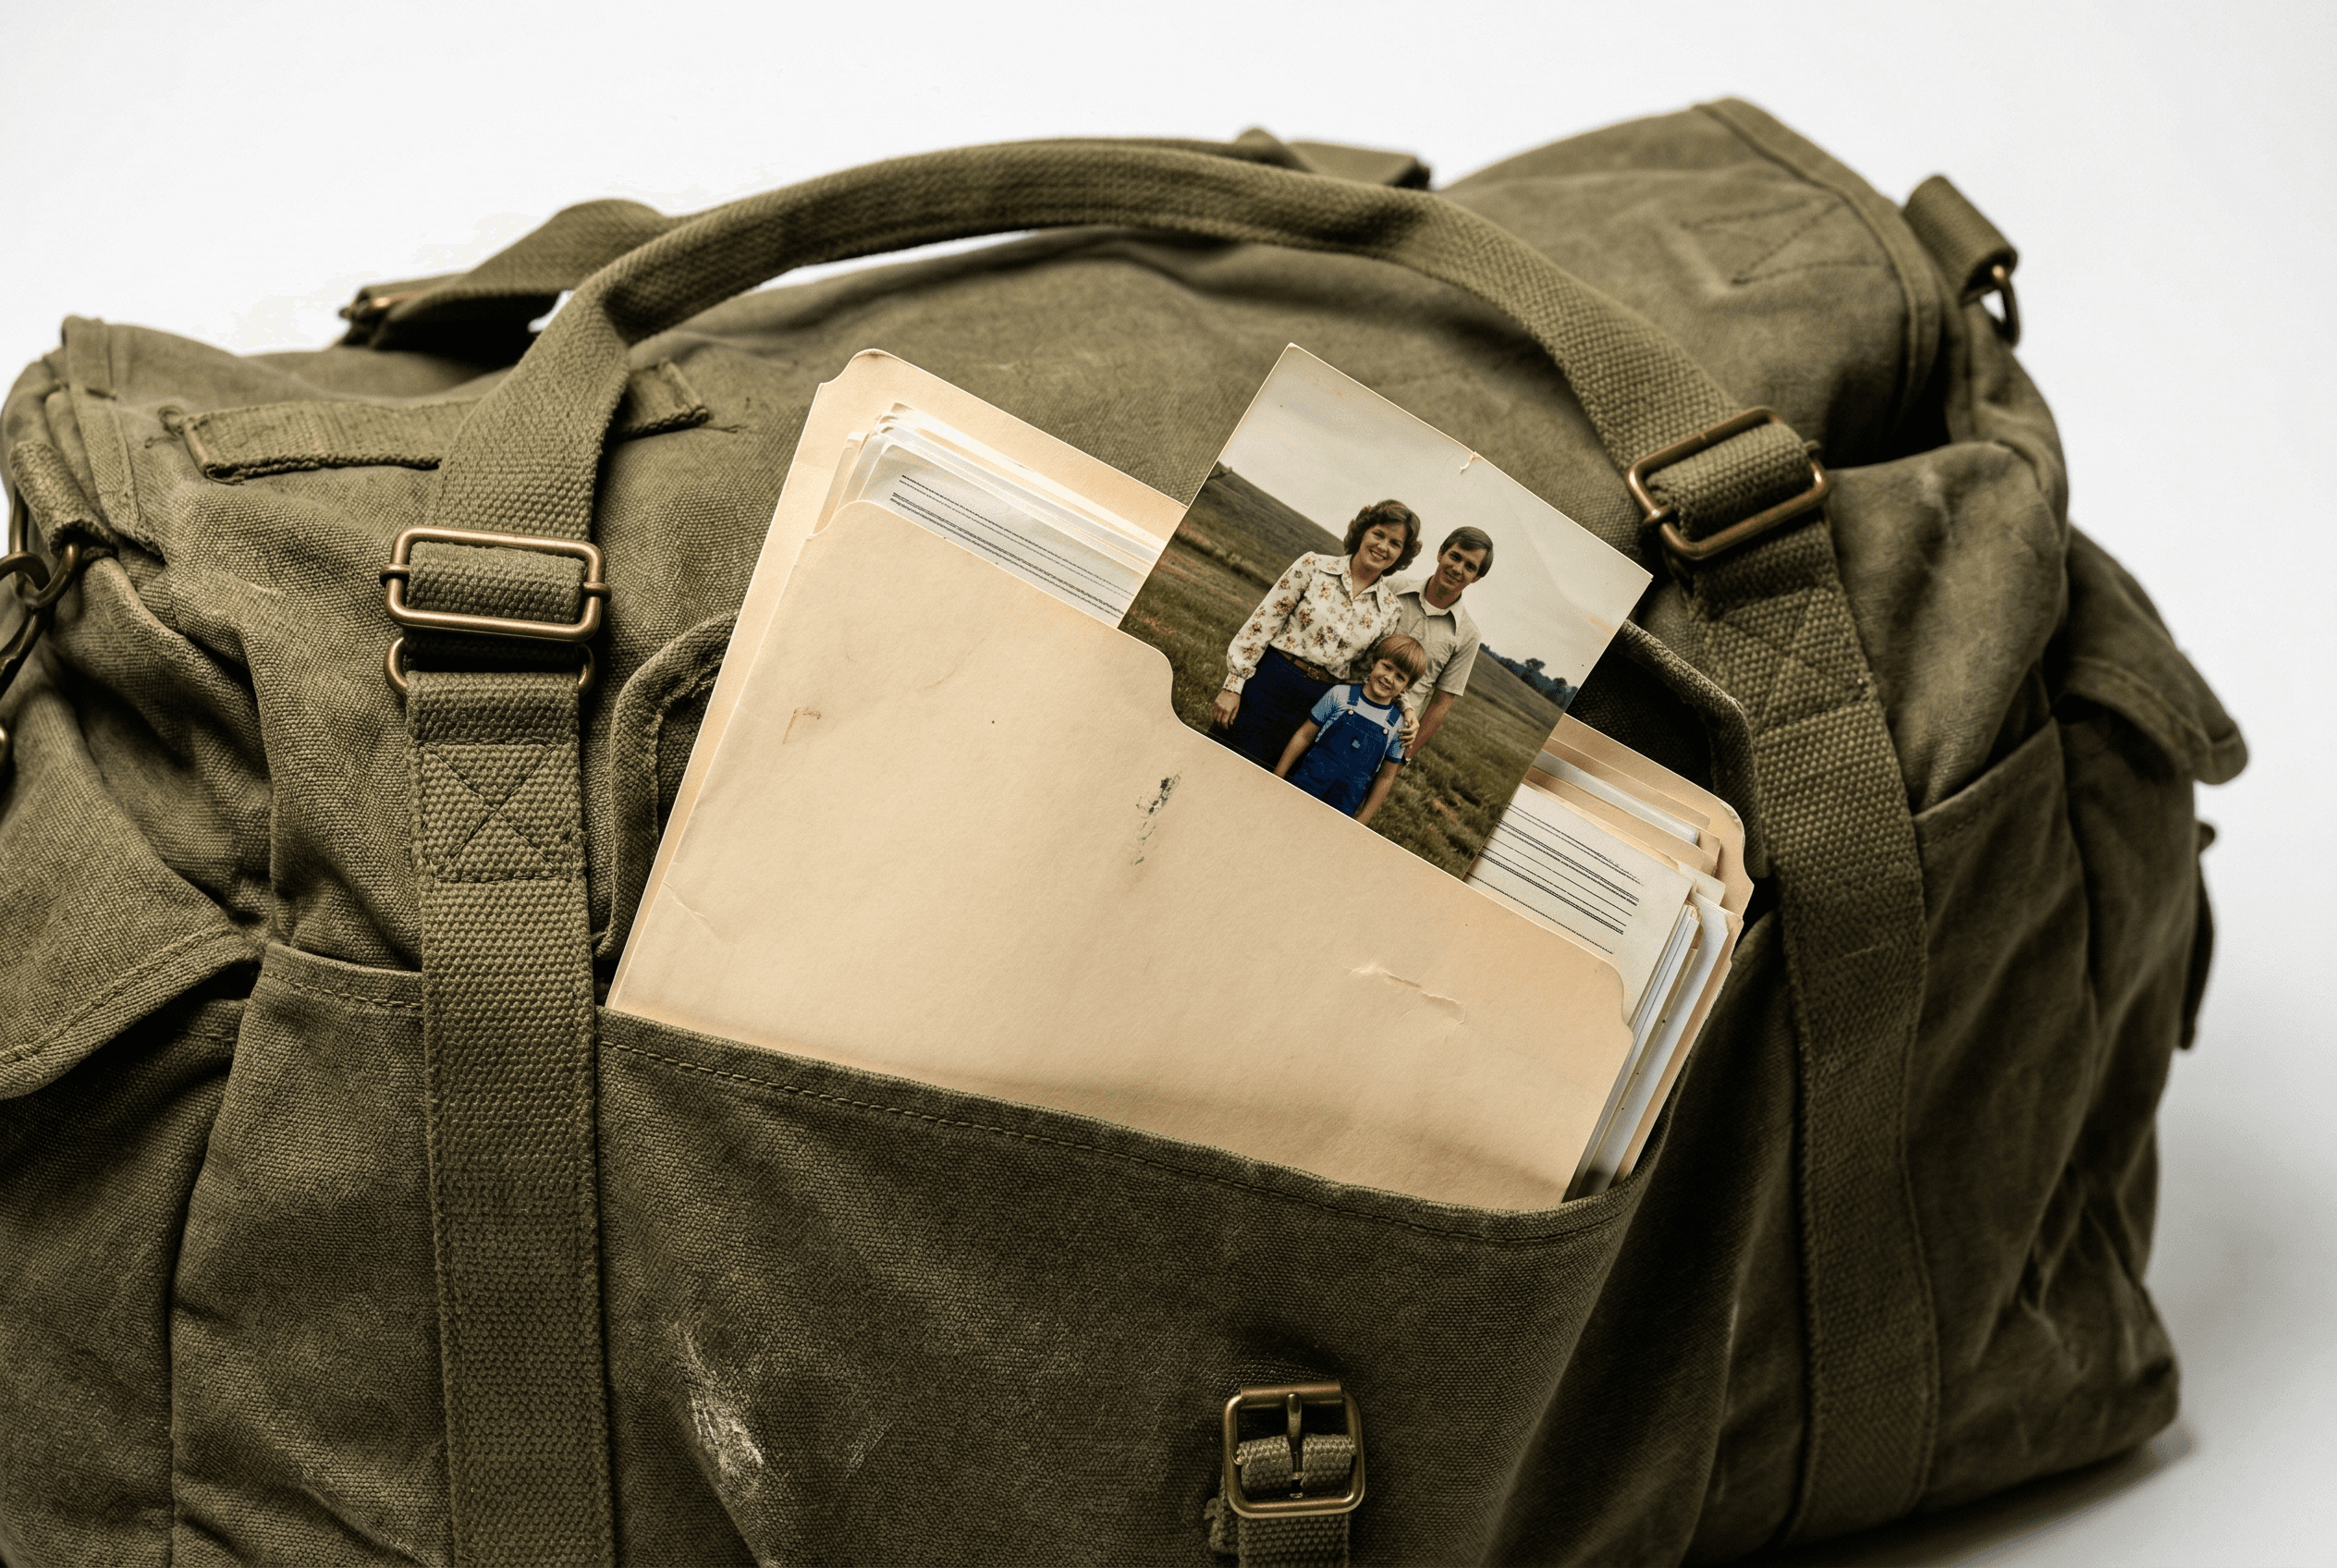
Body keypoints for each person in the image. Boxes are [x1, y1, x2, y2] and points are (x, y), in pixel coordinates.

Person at [1209, 499, 1422, 770]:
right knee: (1216, 763)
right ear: (1362, 532)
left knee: (1267, 784)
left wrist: (1407, 708)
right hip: (1270, 682)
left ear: (1401, 555)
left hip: (1320, 705)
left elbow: (1376, 669)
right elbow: (1264, 621)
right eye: (1378, 534)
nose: (1382, 546)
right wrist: (1233, 685)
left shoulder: (1390, 609)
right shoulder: (1314, 566)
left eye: (1395, 543)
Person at [1274, 633, 1427, 826]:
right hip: (1305, 786)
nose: (1389, 678)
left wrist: (1362, 821)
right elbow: (1304, 736)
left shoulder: (1398, 726)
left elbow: (1386, 777)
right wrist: (1278, 777)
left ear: (1408, 686)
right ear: (1373, 663)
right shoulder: (1340, 695)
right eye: (1386, 667)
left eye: (1400, 677)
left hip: (1343, 807)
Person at [1389, 526, 1490, 760]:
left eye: (1470, 566)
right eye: (1455, 557)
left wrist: (1406, 755)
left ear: (1476, 578)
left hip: (1393, 733)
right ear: (1441, 553)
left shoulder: (1468, 634)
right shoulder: (1395, 587)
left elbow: (1441, 703)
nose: (1457, 569)